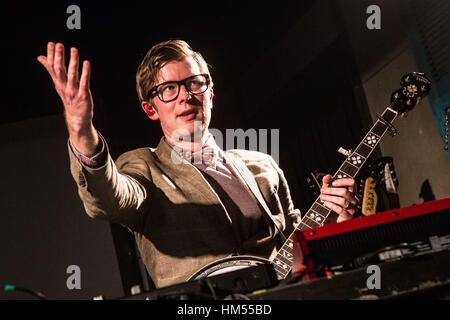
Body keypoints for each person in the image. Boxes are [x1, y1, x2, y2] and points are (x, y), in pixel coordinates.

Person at [37, 40, 359, 288]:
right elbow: (109, 198)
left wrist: (338, 222)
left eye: (194, 83)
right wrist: (82, 131)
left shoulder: (262, 166)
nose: (185, 96)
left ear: (210, 93)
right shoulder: (144, 167)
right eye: (168, 89)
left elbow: (299, 253)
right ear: (151, 109)